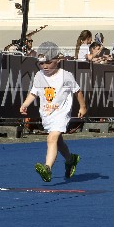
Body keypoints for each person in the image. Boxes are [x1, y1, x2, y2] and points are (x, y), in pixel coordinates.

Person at [19, 42, 87, 182]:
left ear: (58, 60)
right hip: (47, 114)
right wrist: (25, 104)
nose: (45, 66)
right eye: (41, 63)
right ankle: (70, 159)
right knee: (58, 141)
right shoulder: (39, 75)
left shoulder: (66, 76)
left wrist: (82, 107)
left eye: (48, 63)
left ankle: (47, 168)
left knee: (51, 139)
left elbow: (77, 91)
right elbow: (34, 92)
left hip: (61, 112)